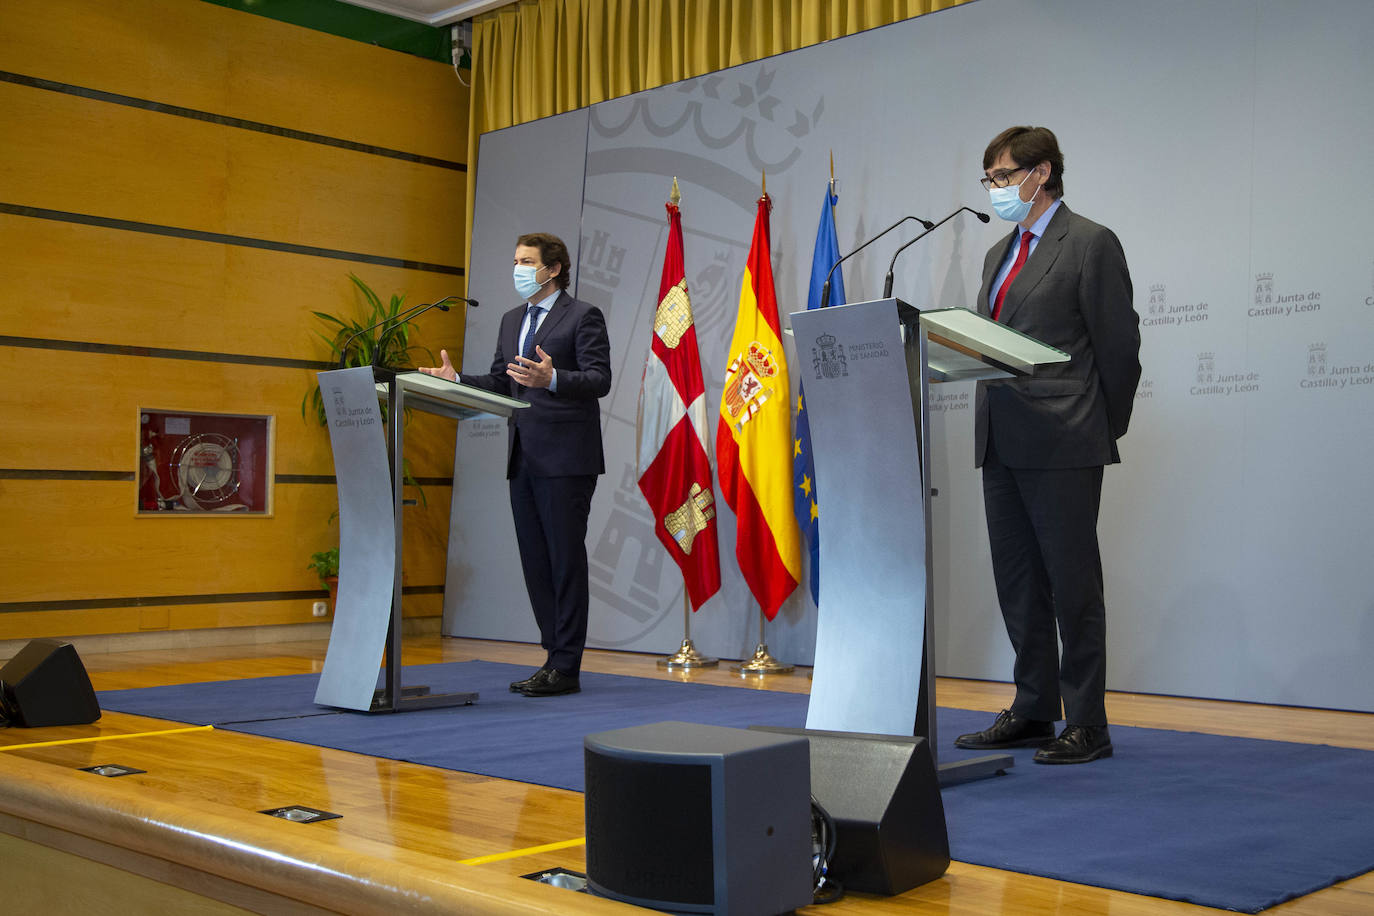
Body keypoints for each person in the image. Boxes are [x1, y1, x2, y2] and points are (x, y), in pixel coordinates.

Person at [954, 127, 1141, 764]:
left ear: (1043, 173)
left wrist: (1098, 426)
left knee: (1071, 582)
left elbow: (1118, 349)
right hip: (1000, 440)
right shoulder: (996, 255)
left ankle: (1087, 721)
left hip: (1064, 440)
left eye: (1004, 176)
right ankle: (1034, 708)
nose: (997, 189)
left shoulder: (1089, 243)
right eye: (991, 180)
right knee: (1018, 583)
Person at [421, 233, 611, 697]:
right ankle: (552, 658)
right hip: (522, 455)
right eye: (515, 261)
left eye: (527, 261)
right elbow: (501, 382)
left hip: (566, 457)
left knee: (565, 561)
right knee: (536, 562)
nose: (518, 269)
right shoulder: (511, 320)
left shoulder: (582, 315)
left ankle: (567, 666)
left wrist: (555, 378)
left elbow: (599, 379)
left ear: (554, 268)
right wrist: (457, 380)